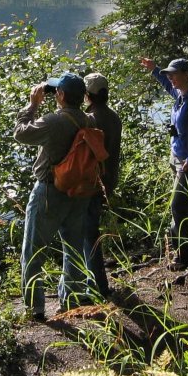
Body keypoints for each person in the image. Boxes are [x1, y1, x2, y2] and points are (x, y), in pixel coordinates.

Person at [14, 71, 92, 321]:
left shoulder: (53, 121)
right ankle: (70, 300)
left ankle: (35, 309)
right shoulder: (90, 121)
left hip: (50, 191)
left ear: (60, 95)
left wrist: (33, 104)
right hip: (80, 191)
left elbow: (21, 133)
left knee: (33, 251)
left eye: (56, 90)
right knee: (73, 248)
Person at [139, 56, 188, 269]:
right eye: (169, 74)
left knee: (178, 204)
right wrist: (155, 70)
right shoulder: (181, 95)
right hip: (178, 159)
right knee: (185, 205)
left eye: (173, 74)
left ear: (186, 74)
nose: (170, 77)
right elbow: (166, 85)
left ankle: (184, 255)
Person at [81, 72, 122, 298]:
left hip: (92, 183)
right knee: (90, 230)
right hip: (108, 181)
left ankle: (98, 286)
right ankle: (96, 283)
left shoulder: (91, 119)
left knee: (88, 233)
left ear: (88, 95)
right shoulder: (113, 117)